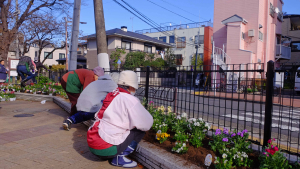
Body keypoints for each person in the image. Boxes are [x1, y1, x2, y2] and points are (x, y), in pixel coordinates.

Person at [87, 70, 153, 168]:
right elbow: (147, 123)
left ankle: (114, 153)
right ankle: (119, 158)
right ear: (131, 86)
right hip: (104, 149)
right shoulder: (129, 99)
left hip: (93, 144)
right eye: (134, 88)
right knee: (139, 131)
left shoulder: (112, 93)